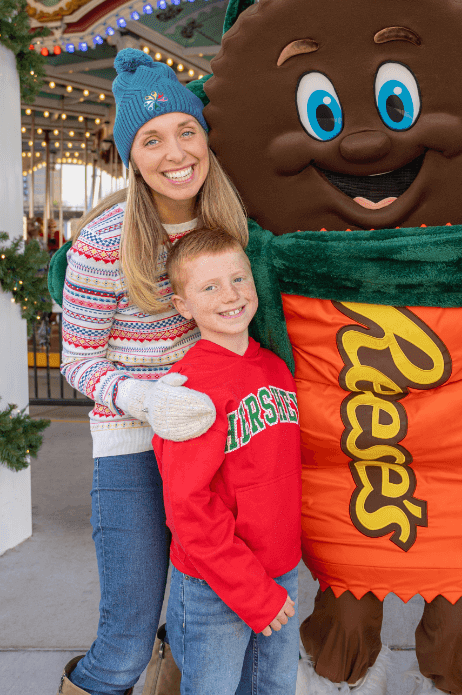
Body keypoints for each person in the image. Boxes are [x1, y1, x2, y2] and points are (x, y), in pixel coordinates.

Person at [57, 48, 249, 695]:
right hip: (134, 449)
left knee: (205, 627)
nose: (174, 153)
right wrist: (141, 398)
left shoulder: (235, 222)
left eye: (185, 131)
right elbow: (77, 359)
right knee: (125, 642)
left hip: (220, 446)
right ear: (130, 155)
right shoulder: (105, 239)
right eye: (151, 139)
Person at [154, 228, 301, 694]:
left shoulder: (276, 368)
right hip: (213, 587)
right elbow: (188, 510)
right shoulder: (188, 389)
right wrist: (253, 593)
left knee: (274, 687)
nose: (231, 295)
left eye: (239, 279)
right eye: (210, 287)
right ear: (183, 306)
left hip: (280, 572)